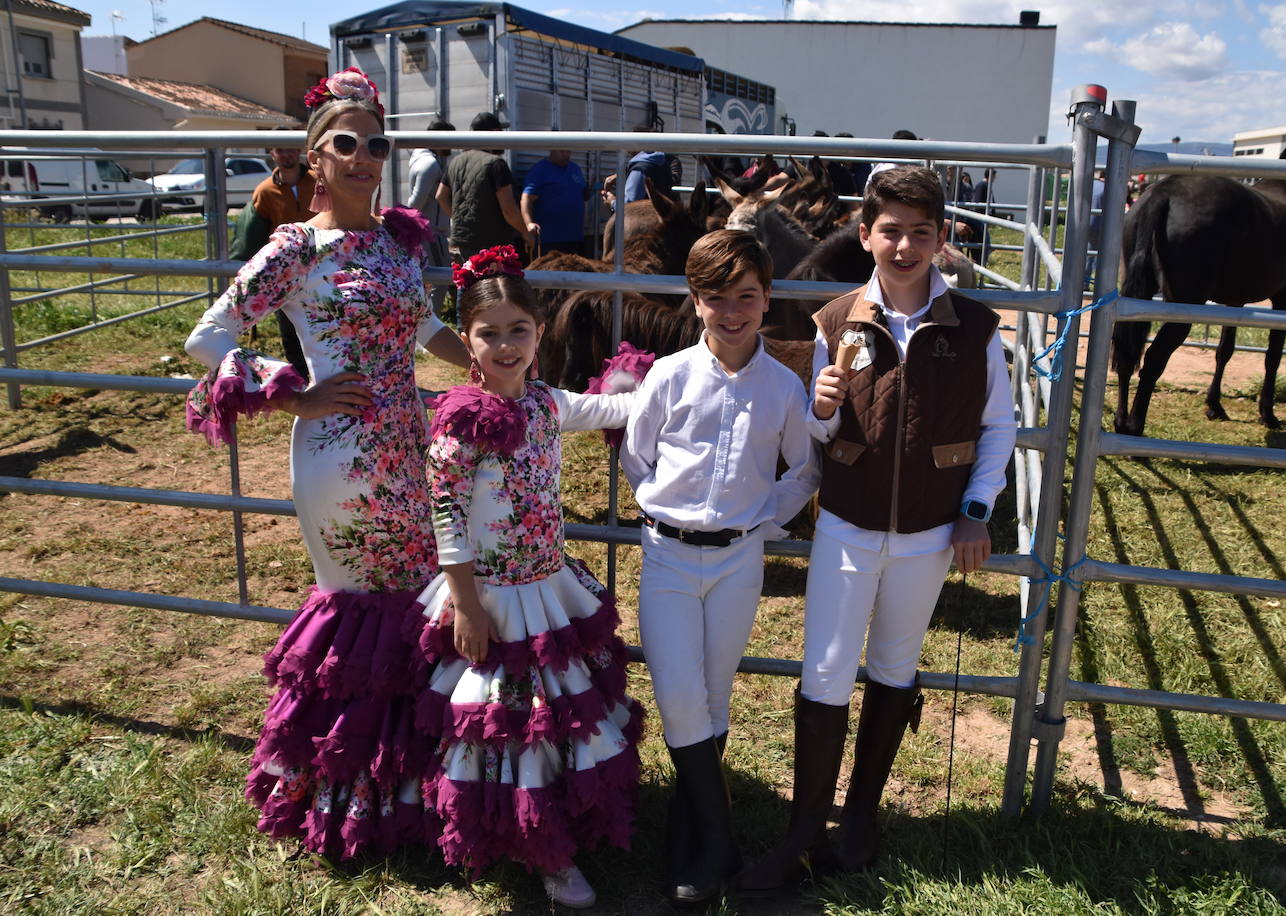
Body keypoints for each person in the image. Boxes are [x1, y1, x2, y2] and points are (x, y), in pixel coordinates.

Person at [184, 66, 471, 861]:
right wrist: (294, 394)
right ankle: (341, 794)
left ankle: (408, 795)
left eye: (377, 142)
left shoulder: (397, 241)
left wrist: (494, 366)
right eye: (347, 142)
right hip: (339, 460)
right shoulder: (294, 249)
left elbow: (426, 332)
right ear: (315, 158)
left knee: (416, 604)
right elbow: (206, 337)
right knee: (356, 616)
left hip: (410, 452)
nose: (366, 155)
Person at [737, 166, 1015, 895]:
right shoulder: (836, 322)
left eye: (921, 231)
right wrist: (820, 406)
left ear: (941, 238)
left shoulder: (978, 330)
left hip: (930, 533)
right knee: (825, 668)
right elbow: (821, 436)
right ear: (864, 235)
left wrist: (976, 509)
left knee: (895, 664)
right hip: (850, 526)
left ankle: (860, 817)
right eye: (890, 229)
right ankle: (804, 828)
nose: (904, 245)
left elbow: (998, 429)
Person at [413, 245, 644, 908]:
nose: (506, 345)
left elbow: (606, 410)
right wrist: (465, 606)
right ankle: (534, 846)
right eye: (490, 333)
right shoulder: (459, 427)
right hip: (488, 595)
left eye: (519, 330)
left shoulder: (547, 406)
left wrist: (667, 382)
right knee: (507, 721)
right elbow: (447, 521)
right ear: (467, 342)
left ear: (540, 333)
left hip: (548, 591)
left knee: (555, 716)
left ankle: (555, 833)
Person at [620, 230, 821, 905]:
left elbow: (805, 466)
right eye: (715, 298)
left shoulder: (784, 388)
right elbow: (636, 455)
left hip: (740, 559)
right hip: (669, 556)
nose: (731, 312)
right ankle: (723, 838)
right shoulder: (670, 375)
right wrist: (659, 507)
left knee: (713, 692)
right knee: (677, 692)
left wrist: (766, 517)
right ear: (694, 300)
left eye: (746, 297)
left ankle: (692, 835)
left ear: (767, 299)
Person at [228, 130, 318, 378]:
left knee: (321, 325)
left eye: (290, 148)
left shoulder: (319, 182)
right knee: (289, 329)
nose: (286, 155)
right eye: (280, 149)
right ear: (272, 153)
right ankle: (301, 382)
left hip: (319, 264)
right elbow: (253, 233)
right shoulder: (264, 191)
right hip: (284, 271)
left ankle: (322, 376)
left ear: (299, 150)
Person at [437, 111, 534, 269]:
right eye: (500, 133)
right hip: (491, 245)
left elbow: (441, 196)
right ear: (494, 133)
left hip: (462, 242)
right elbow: (509, 209)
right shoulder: (496, 164)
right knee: (491, 291)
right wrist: (525, 232)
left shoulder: (456, 162)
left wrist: (460, 219)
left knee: (467, 286)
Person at [406, 117, 456, 317]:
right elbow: (415, 202)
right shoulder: (430, 164)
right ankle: (429, 331)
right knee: (440, 281)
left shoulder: (421, 159)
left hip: (427, 230)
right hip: (431, 232)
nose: (451, 146)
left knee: (432, 280)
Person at [521, 142, 589, 256]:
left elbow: (583, 195)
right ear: (552, 150)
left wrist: (595, 187)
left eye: (568, 151)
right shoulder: (540, 170)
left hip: (575, 237)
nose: (566, 155)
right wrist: (529, 223)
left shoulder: (575, 169)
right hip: (550, 240)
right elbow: (526, 198)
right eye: (562, 151)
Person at [971, 167, 997, 264]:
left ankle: (983, 258)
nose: (995, 178)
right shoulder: (982, 185)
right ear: (991, 175)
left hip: (985, 216)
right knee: (984, 238)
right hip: (981, 216)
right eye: (994, 176)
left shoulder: (986, 185)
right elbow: (977, 201)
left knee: (985, 238)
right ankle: (982, 259)